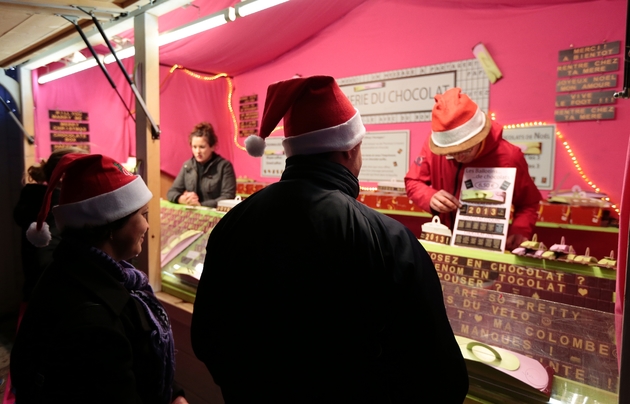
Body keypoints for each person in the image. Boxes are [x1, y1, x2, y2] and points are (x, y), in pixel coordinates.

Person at [191, 75, 468, 403]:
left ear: (292, 153)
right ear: (351, 148)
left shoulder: (234, 223)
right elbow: (440, 375)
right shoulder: (390, 240)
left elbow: (206, 337)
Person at [10, 153, 188, 404]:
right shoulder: (91, 317)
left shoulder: (83, 272)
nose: (147, 227)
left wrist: (173, 393)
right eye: (142, 215)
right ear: (112, 224)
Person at [404, 87, 542, 251]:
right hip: (442, 240)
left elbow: (529, 203)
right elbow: (413, 181)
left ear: (481, 136)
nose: (458, 157)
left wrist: (519, 230)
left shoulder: (510, 156)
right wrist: (430, 197)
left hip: (488, 245)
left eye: (466, 149)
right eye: (451, 153)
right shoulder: (435, 146)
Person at [13, 146, 86, 301]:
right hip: (54, 301)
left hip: (36, 295)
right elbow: (45, 260)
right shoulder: (57, 207)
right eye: (84, 173)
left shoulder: (38, 200)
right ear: (62, 176)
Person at [166, 122, 236, 208]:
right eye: (194, 147)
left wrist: (201, 205)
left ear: (213, 147)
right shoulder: (187, 165)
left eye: (202, 147)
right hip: (193, 215)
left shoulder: (224, 166)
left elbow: (228, 197)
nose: (197, 151)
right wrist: (182, 199)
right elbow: (171, 192)